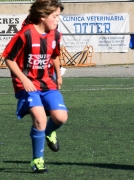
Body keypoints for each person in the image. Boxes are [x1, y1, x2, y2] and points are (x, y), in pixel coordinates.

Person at [2, 0, 68, 173]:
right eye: (55, 16)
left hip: (47, 82)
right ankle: (37, 160)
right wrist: (24, 79)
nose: (57, 20)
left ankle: (48, 132)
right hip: (27, 85)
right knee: (39, 118)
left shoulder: (55, 35)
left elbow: (54, 55)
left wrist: (58, 75)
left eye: (58, 16)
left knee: (61, 117)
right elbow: (8, 58)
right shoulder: (26, 34)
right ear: (42, 16)